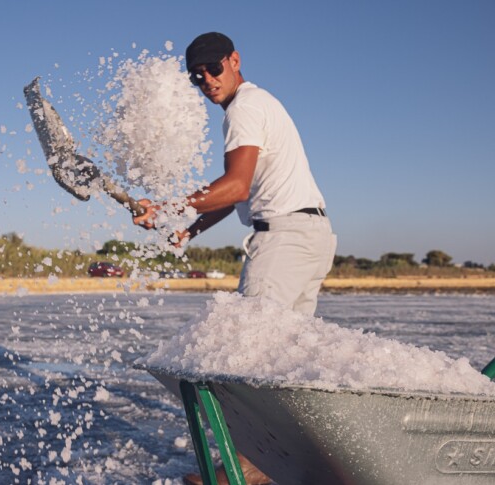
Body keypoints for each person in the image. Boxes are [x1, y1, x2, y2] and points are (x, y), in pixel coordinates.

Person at [133, 32, 337, 485]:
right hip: (311, 236)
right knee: (280, 362)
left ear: (234, 60)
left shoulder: (244, 108)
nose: (206, 80)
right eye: (196, 76)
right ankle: (274, 465)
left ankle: (244, 471)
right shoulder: (261, 104)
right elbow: (232, 193)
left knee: (246, 361)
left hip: (282, 243)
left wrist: (163, 207)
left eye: (213, 68)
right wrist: (188, 226)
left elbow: (236, 187)